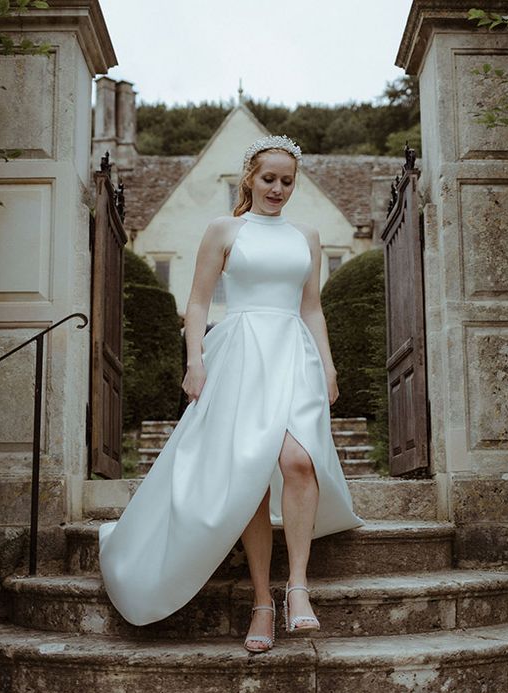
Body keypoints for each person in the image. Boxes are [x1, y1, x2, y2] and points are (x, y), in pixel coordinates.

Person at [98, 134, 363, 654]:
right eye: (269, 179)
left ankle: (299, 589)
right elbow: (197, 304)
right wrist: (194, 362)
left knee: (299, 461)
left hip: (294, 354)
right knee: (247, 472)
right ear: (249, 177)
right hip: (239, 355)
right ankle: (263, 601)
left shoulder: (306, 235)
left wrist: (328, 365)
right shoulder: (223, 229)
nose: (278, 189)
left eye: (287, 181)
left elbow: (311, 307)